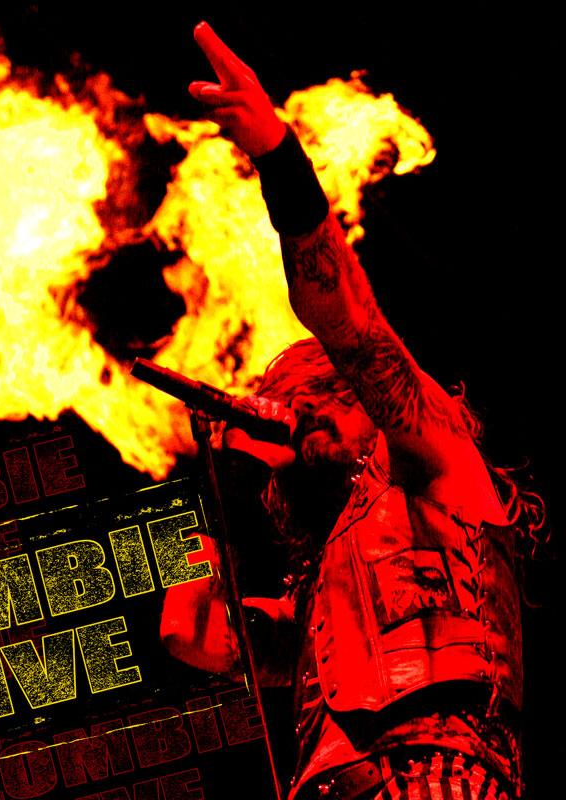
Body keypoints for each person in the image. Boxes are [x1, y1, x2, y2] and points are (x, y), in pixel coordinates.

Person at [160, 21, 542, 800]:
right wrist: (213, 491)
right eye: (293, 407)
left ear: (360, 398)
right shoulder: (317, 596)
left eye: (319, 398)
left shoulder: (435, 457)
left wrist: (277, 154)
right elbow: (189, 633)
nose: (303, 419)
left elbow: (351, 326)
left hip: (435, 775)